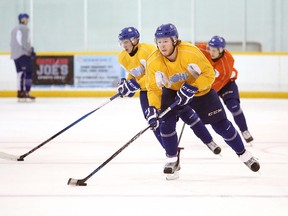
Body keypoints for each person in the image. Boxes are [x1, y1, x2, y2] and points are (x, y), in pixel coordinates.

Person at [145, 23, 260, 176]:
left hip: (200, 91)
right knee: (166, 123)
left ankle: (244, 154)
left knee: (221, 125)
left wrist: (193, 87)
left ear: (174, 40)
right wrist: (153, 108)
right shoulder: (154, 60)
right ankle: (173, 159)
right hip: (172, 91)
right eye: (159, 41)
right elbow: (153, 88)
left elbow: (209, 75)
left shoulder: (190, 52)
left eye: (165, 41)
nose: (162, 45)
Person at [196, 36, 253, 143]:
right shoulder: (202, 49)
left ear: (221, 50)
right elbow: (189, 53)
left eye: (214, 50)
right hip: (209, 83)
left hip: (226, 84)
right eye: (210, 49)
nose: (211, 52)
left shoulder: (227, 61)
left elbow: (219, 83)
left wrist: (202, 91)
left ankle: (244, 130)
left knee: (234, 106)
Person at [10, 13, 36, 101]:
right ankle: (26, 92)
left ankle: (20, 93)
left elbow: (13, 43)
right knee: (28, 72)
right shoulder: (24, 28)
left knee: (20, 73)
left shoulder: (14, 29)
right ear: (23, 19)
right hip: (23, 54)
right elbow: (25, 42)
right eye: (27, 19)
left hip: (15, 55)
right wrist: (30, 51)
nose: (28, 20)